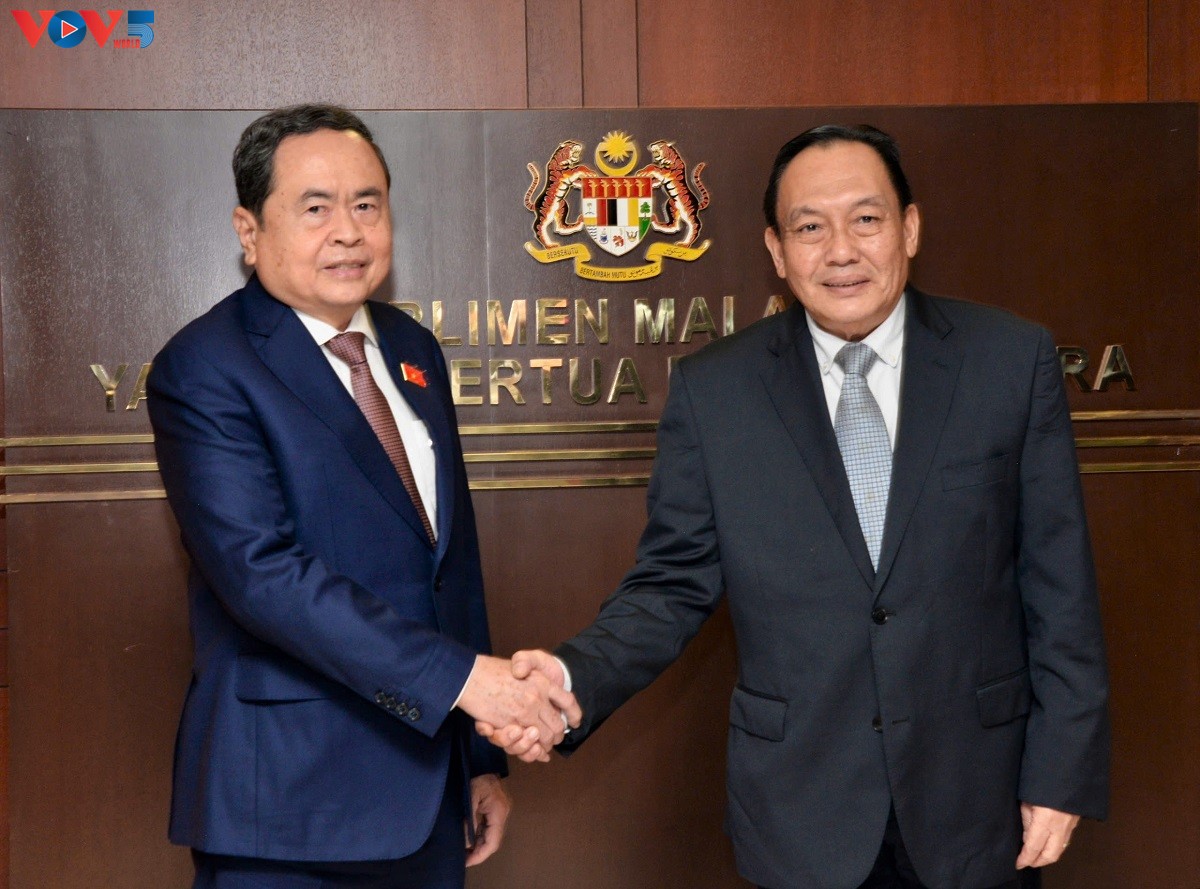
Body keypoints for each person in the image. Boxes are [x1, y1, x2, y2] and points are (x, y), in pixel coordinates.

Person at [482, 125, 1110, 889]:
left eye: (866, 219)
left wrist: (1061, 770)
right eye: (810, 228)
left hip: (977, 797)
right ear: (777, 251)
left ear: (910, 228)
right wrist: (567, 679)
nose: (841, 250)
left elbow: (1059, 586)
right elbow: (671, 585)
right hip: (802, 811)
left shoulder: (1009, 361)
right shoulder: (716, 391)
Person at [148, 104, 578, 889]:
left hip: (429, 790)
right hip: (289, 808)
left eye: (367, 205)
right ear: (249, 231)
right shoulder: (205, 366)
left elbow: (451, 568)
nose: (347, 231)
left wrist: (482, 757)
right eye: (315, 208)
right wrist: (466, 681)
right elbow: (261, 575)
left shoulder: (412, 349)